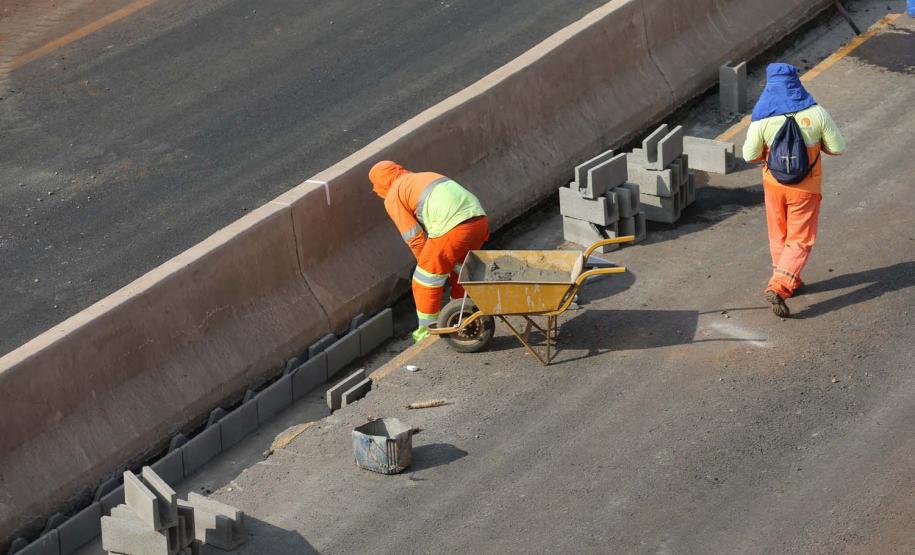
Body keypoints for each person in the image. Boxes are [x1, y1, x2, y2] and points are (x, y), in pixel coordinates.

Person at [743, 63, 845, 317]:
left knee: (779, 235)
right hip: (806, 188)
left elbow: (749, 156)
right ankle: (780, 285)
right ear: (795, 82)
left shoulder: (762, 117)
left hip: (774, 186)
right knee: (800, 238)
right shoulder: (817, 112)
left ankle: (790, 278)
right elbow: (837, 147)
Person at [369, 161, 489, 341]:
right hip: (479, 221)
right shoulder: (423, 176)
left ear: (380, 184)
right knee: (461, 272)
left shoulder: (393, 195)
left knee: (423, 280)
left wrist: (426, 264)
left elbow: (414, 236)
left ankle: (428, 334)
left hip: (454, 227)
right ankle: (462, 314)